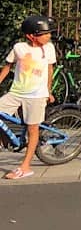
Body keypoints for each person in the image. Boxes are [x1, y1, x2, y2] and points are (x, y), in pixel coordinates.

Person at [0, 15, 56, 180]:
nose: (48, 36)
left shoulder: (49, 48)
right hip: (16, 93)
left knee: (32, 129)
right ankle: (5, 140)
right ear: (31, 36)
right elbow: (7, 67)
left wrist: (48, 91)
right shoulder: (19, 48)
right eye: (44, 34)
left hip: (37, 96)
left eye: (49, 33)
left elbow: (50, 70)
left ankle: (25, 167)